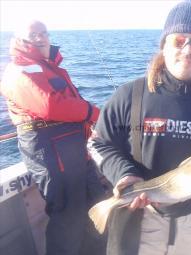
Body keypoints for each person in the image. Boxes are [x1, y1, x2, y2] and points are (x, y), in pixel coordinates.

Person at [91, 1, 191, 254]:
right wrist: (124, 174)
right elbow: (97, 143)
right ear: (164, 45)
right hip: (138, 220)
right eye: (179, 40)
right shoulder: (130, 94)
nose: (188, 50)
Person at [0, 20, 106, 255]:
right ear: (20, 40)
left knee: (97, 204)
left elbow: (68, 108)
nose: (40, 38)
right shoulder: (18, 70)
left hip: (74, 148)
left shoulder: (49, 67)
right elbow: (49, 106)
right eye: (33, 34)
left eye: (43, 33)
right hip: (48, 149)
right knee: (67, 216)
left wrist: (88, 125)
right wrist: (93, 113)